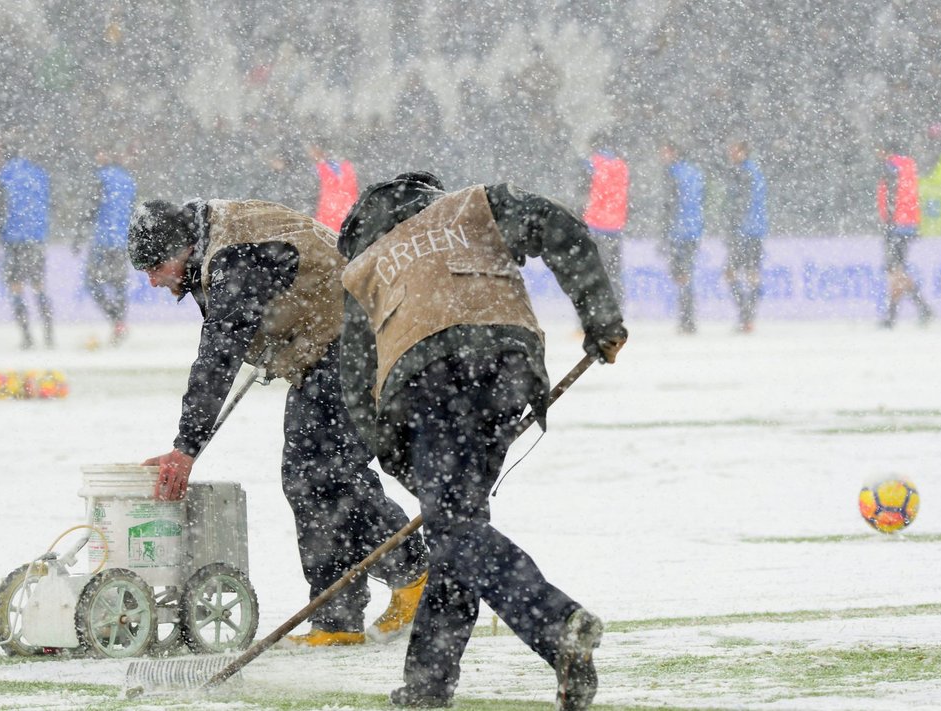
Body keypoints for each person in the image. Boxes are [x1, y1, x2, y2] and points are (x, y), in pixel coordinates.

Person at [338, 172, 627, 710]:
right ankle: (427, 684)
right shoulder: (474, 208)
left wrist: (400, 462)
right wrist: (601, 316)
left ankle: (556, 619)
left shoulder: (363, 267)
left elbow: (358, 386)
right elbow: (561, 225)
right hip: (509, 366)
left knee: (453, 529)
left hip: (430, 378)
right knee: (459, 532)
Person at [127, 197, 428, 647]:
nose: (152, 280)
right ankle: (335, 619)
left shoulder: (233, 255)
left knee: (327, 473)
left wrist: (186, 447)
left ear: (182, 248)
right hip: (328, 350)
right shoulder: (214, 240)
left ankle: (415, 574)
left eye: (155, 267)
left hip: (363, 341)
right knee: (307, 478)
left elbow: (219, 352)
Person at [0, 153, 54, 349]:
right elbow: (50, 202)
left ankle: (27, 337)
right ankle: (49, 336)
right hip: (36, 237)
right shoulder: (40, 174)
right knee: (39, 285)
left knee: (16, 287)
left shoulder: (6, 174)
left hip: (13, 238)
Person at [77, 153, 137, 345]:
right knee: (119, 285)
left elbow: (92, 207)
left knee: (91, 282)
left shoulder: (101, 178)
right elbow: (133, 210)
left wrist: (79, 232)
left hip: (103, 240)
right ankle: (119, 324)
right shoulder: (128, 181)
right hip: (122, 241)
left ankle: (115, 318)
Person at [876, 143, 933, 328]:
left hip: (896, 226)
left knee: (895, 271)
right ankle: (905, 313)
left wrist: (889, 221)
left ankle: (907, 312)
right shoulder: (909, 164)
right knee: (897, 271)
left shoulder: (891, 165)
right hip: (909, 223)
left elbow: (892, 195)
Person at [658, 141, 705, 334]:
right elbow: (702, 199)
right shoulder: (695, 172)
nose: (662, 156)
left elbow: (669, 205)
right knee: (686, 273)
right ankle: (688, 318)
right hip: (694, 228)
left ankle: (687, 319)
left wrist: (664, 233)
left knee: (681, 274)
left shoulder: (672, 174)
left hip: (678, 230)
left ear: (675, 153)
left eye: (665, 152)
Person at [722, 140, 769, 333]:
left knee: (738, 274)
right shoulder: (751, 171)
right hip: (752, 230)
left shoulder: (745, 172)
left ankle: (746, 316)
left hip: (746, 231)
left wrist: (733, 226)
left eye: (735, 150)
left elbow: (742, 203)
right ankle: (747, 316)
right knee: (750, 275)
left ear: (744, 152)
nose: (731, 153)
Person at [581, 144, 629, 308]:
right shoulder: (622, 166)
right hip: (616, 226)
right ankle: (617, 315)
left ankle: (593, 316)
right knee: (614, 273)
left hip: (595, 224)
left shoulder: (592, 164)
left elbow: (582, 190)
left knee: (592, 273)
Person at [309, 144, 359, 231]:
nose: (313, 153)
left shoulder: (342, 167)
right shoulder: (318, 169)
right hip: (332, 215)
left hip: (337, 214)